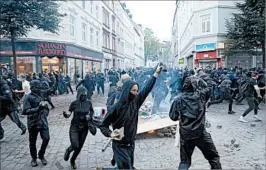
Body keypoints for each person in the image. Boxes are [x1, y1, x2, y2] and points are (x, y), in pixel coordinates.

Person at [99, 64, 163, 169]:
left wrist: (155, 74)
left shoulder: (136, 102)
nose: (136, 93)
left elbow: (146, 89)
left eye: (137, 90)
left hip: (131, 143)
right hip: (119, 144)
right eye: (133, 90)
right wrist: (110, 133)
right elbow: (103, 125)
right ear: (127, 90)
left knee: (128, 166)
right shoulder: (115, 108)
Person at [169, 76, 222, 170]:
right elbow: (210, 85)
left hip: (186, 135)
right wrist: (200, 79)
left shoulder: (178, 99)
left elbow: (173, 117)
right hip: (201, 133)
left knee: (185, 162)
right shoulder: (201, 96)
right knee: (214, 158)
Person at [63, 86, 96, 169]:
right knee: (75, 145)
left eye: (85, 94)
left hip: (84, 127)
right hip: (74, 126)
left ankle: (72, 160)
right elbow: (69, 113)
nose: (84, 96)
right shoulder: (74, 103)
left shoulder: (89, 102)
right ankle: (68, 150)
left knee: (79, 147)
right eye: (82, 95)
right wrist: (66, 115)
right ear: (79, 94)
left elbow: (92, 111)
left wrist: (90, 115)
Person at [22, 80, 50, 167]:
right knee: (32, 141)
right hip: (33, 122)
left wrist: (45, 110)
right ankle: (34, 158)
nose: (39, 89)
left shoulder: (41, 95)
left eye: (39, 87)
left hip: (42, 121)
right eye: (37, 87)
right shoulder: (28, 97)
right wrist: (37, 109)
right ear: (33, 88)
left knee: (46, 138)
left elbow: (46, 107)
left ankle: (41, 154)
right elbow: (25, 111)